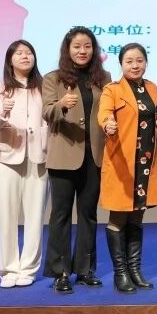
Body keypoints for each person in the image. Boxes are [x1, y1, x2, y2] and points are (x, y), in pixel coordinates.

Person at [98, 43, 157, 293]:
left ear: (146, 63)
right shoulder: (112, 89)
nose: (135, 65)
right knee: (119, 216)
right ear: (121, 64)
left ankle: (135, 270)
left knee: (137, 216)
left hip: (146, 161)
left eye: (139, 60)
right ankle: (120, 273)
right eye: (129, 61)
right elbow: (104, 114)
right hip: (122, 163)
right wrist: (108, 124)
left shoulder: (152, 88)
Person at [42, 26, 111, 294]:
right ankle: (60, 272)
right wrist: (61, 105)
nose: (82, 51)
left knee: (88, 214)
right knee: (60, 215)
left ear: (94, 50)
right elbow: (47, 112)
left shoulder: (103, 78)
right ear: (67, 50)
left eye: (87, 46)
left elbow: (108, 112)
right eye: (77, 46)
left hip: (94, 156)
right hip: (64, 155)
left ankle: (85, 269)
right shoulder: (53, 78)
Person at [0, 40, 48, 288]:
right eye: (19, 53)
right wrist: (2, 110)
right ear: (10, 60)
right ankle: (9, 269)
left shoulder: (44, 88)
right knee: (7, 217)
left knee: (35, 217)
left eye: (29, 52)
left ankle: (28, 268)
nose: (25, 56)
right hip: (6, 158)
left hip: (38, 157)